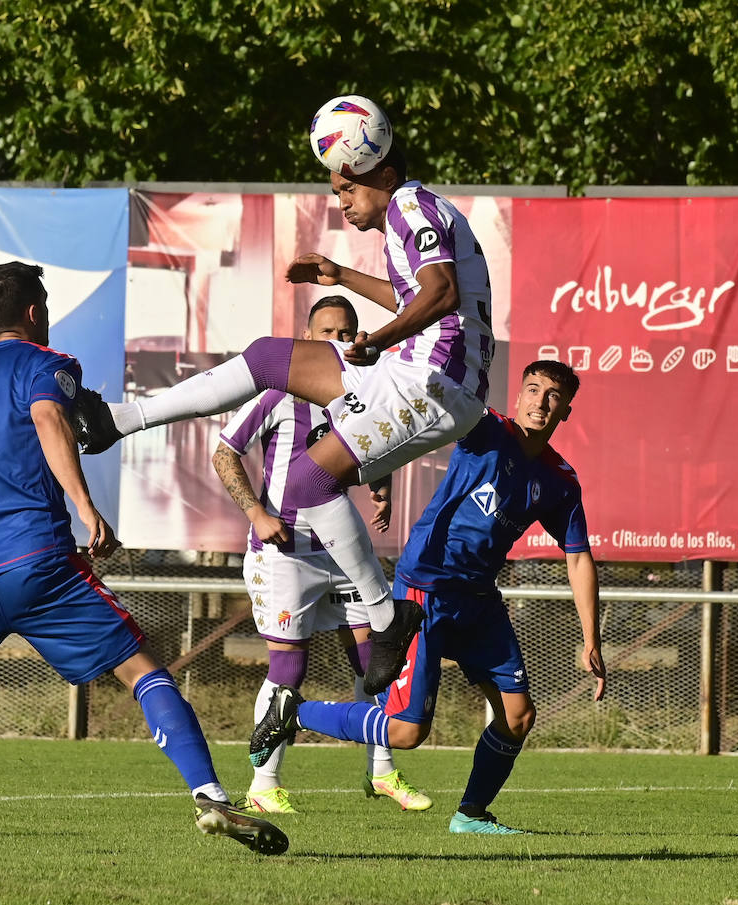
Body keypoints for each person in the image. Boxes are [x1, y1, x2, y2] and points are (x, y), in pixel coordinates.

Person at [0, 261, 286, 855]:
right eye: (46, 304)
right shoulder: (47, 366)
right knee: (141, 670)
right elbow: (50, 416)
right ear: (33, 312)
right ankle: (209, 796)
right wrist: (86, 507)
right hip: (36, 560)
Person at [75, 120, 494, 696]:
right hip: (425, 377)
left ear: (385, 173)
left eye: (347, 189)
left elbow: (440, 292)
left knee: (306, 484)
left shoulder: (409, 205)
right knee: (270, 359)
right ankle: (120, 420)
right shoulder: (410, 211)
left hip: (435, 382)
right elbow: (420, 293)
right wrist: (340, 276)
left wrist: (379, 339)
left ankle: (384, 615)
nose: (341, 202)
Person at [250, 360, 607, 834]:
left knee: (518, 717)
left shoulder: (560, 481)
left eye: (553, 395)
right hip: (426, 591)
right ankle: (293, 711)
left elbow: (579, 557)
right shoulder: (483, 428)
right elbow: (422, 404)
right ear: (518, 395)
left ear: (566, 410)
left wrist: (591, 640)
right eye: (532, 389)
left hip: (479, 601)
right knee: (406, 731)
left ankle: (471, 816)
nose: (540, 401)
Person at [213, 295, 431, 814]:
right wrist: (256, 515)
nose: (337, 340)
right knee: (289, 666)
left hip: (338, 557)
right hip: (284, 554)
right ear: (307, 338)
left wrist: (382, 487)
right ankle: (264, 786)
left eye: (347, 331)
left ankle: (383, 774)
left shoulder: (360, 397)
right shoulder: (276, 394)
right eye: (327, 331)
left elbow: (371, 451)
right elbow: (224, 452)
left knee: (375, 659)